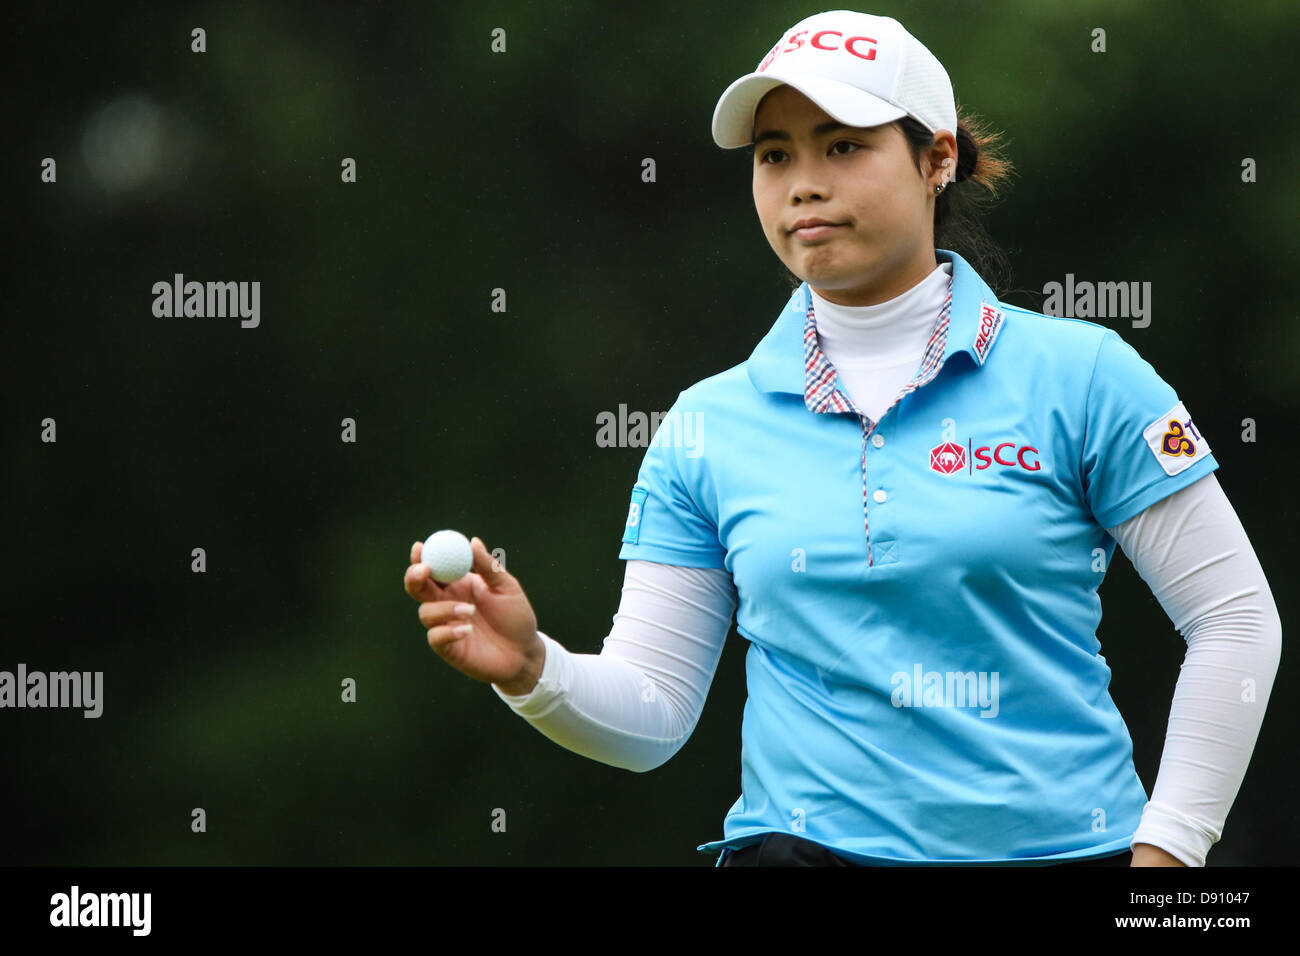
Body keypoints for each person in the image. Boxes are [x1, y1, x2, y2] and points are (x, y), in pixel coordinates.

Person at [402, 10, 1281, 867]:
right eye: (775, 155)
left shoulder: (1085, 375)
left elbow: (1235, 620)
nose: (803, 183)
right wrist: (531, 669)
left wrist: (1169, 854)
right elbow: (654, 713)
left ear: (937, 159)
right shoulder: (706, 427)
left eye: (843, 145)